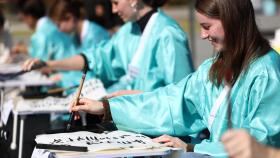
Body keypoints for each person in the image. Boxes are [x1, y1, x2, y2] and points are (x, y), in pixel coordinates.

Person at [68, 0, 280, 157]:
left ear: (232, 22)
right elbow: (169, 102)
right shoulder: (214, 68)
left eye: (207, 27)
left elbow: (261, 142)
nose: (203, 35)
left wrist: (194, 147)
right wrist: (107, 108)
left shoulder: (267, 73)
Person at [23, 0, 194, 94]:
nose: (112, 10)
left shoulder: (168, 34)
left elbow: (180, 96)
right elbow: (97, 58)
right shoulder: (129, 30)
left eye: (115, 2)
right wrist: (50, 64)